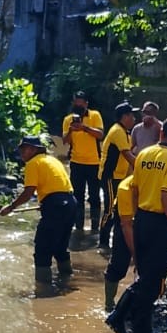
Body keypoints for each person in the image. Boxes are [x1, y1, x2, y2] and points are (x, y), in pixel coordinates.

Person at [106, 117, 167, 333]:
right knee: (153, 281)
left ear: (161, 132)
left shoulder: (143, 154)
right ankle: (131, 326)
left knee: (145, 276)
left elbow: (134, 189)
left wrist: (134, 220)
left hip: (141, 218)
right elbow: (166, 198)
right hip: (158, 222)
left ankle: (131, 325)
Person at [0, 134, 78, 284]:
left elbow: (28, 192)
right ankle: (67, 280)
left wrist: (11, 207)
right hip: (70, 204)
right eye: (20, 150)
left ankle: (43, 291)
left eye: (24, 149)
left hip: (56, 206)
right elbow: (56, 187)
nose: (22, 153)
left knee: (42, 250)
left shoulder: (33, 163)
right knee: (60, 248)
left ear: (34, 149)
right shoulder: (52, 160)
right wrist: (46, 204)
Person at [62, 91, 105, 237]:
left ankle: (95, 228)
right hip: (76, 163)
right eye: (76, 103)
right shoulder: (68, 119)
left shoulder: (95, 115)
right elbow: (64, 142)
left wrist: (84, 128)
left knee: (94, 196)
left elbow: (100, 135)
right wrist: (70, 130)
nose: (78, 105)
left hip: (94, 162)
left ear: (86, 104)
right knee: (77, 196)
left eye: (81, 103)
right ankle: (78, 227)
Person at [97, 102, 137, 251]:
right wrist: (143, 168)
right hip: (110, 177)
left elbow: (129, 157)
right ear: (124, 117)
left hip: (120, 177)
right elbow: (128, 155)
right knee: (110, 210)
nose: (134, 119)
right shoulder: (118, 131)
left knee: (121, 210)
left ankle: (118, 241)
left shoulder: (126, 133)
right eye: (132, 115)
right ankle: (103, 242)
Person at [101, 171, 137, 312]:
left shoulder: (159, 183)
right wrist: (136, 255)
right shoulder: (125, 187)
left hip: (149, 215)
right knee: (119, 263)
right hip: (125, 217)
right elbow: (126, 225)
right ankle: (109, 305)